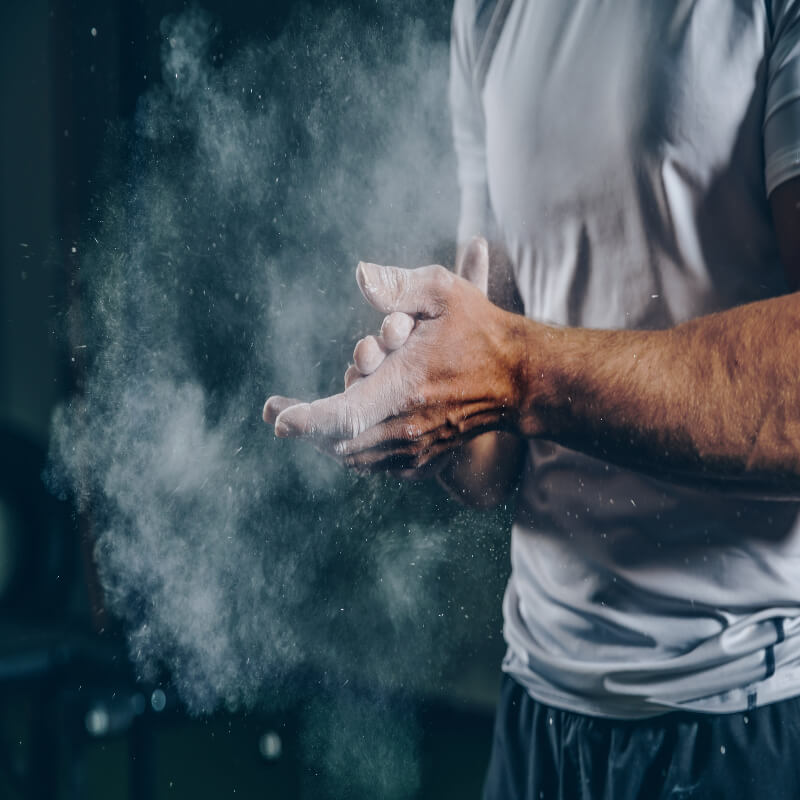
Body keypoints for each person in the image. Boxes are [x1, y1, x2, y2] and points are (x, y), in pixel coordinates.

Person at [264, 0, 800, 796]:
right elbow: (495, 452)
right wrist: (429, 401)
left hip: (749, 705)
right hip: (541, 704)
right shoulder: (484, 13)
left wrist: (510, 370)